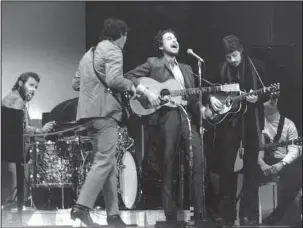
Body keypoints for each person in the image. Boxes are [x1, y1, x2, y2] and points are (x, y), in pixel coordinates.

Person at [124, 29, 212, 225]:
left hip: (187, 116)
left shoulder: (188, 68)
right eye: (169, 38)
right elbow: (129, 76)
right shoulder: (153, 63)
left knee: (198, 161)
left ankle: (199, 215)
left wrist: (206, 104)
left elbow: (194, 95)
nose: (175, 40)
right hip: (166, 117)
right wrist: (146, 91)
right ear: (160, 46)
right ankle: (170, 216)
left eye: (176, 38)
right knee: (167, 164)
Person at [71, 17, 136, 228]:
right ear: (122, 35)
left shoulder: (87, 54)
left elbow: (75, 84)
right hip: (105, 113)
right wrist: (131, 85)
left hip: (87, 115)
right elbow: (114, 80)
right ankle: (81, 208)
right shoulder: (114, 50)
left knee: (107, 164)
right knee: (105, 161)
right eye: (126, 37)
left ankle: (113, 215)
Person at [207, 34, 268, 225]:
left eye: (234, 55)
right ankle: (227, 215)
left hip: (251, 122)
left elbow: (267, 93)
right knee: (226, 169)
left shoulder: (256, 66)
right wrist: (212, 99)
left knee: (251, 169)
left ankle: (247, 215)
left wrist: (257, 99)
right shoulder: (221, 69)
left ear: (240, 50)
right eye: (228, 57)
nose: (232, 60)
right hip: (229, 123)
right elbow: (211, 89)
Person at [2, 72, 55, 206]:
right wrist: (40, 130)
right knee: (11, 199)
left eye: (36, 87)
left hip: (12, 156)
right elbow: (18, 129)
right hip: (10, 157)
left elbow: (21, 126)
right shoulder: (15, 100)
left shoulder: (17, 100)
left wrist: (39, 132)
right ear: (20, 83)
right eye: (31, 85)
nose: (33, 89)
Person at [259, 97, 302, 225]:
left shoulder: (289, 124)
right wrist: (262, 164)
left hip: (280, 161)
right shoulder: (257, 123)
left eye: (273, 100)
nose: (269, 104)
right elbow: (253, 148)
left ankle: (279, 213)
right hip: (258, 161)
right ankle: (249, 216)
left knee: (296, 175)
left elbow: (294, 150)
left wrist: (281, 164)